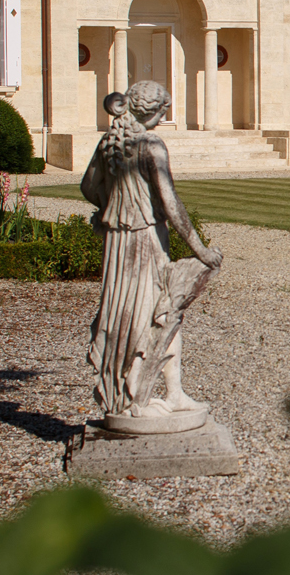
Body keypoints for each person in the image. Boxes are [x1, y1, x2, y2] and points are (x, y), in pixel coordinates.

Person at [81, 81, 222, 428]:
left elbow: (87, 186)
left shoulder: (112, 140)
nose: (165, 116)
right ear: (156, 110)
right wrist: (201, 249)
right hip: (145, 240)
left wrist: (111, 206)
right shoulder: (151, 144)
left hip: (118, 241)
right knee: (146, 316)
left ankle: (173, 393)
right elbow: (170, 204)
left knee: (154, 313)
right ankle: (133, 401)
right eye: (164, 110)